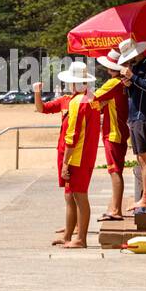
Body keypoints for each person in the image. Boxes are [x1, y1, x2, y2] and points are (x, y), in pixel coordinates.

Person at [34, 69, 100, 249]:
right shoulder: (91, 99)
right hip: (82, 154)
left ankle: (80, 239)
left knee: (79, 196)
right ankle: (69, 235)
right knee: (71, 195)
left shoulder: (79, 102)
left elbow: (73, 135)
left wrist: (65, 163)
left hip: (76, 156)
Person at [113, 37, 146, 210]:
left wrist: (132, 77)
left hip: (144, 117)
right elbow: (138, 91)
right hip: (135, 117)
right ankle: (145, 196)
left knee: (145, 159)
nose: (130, 59)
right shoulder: (138, 67)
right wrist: (129, 84)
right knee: (141, 159)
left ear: (140, 51)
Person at [93, 47, 131, 222]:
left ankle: (116, 209)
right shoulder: (122, 83)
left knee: (114, 171)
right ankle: (113, 207)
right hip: (120, 131)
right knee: (117, 170)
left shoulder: (113, 83)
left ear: (110, 68)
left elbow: (93, 100)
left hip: (113, 132)